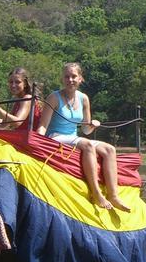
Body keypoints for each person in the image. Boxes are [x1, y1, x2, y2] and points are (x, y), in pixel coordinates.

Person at [37, 62, 130, 212]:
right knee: (86, 145)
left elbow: (86, 130)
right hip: (56, 137)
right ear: (62, 79)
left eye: (74, 76)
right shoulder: (54, 97)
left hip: (73, 137)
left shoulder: (83, 98)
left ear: (81, 78)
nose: (70, 80)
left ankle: (113, 195)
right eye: (67, 77)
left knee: (110, 149)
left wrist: (92, 124)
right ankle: (96, 193)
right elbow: (43, 126)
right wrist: (37, 142)